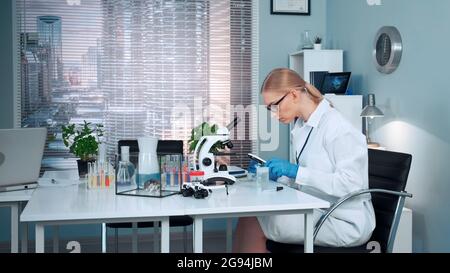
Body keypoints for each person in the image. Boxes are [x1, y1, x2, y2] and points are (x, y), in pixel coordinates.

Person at [232, 68, 376, 253]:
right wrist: (276, 175)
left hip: (343, 220)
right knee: (249, 216)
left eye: (274, 106)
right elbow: (308, 179)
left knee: (255, 223)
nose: (273, 114)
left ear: (293, 95)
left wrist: (295, 171)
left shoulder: (337, 127)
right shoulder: (302, 126)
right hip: (318, 209)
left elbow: (351, 185)